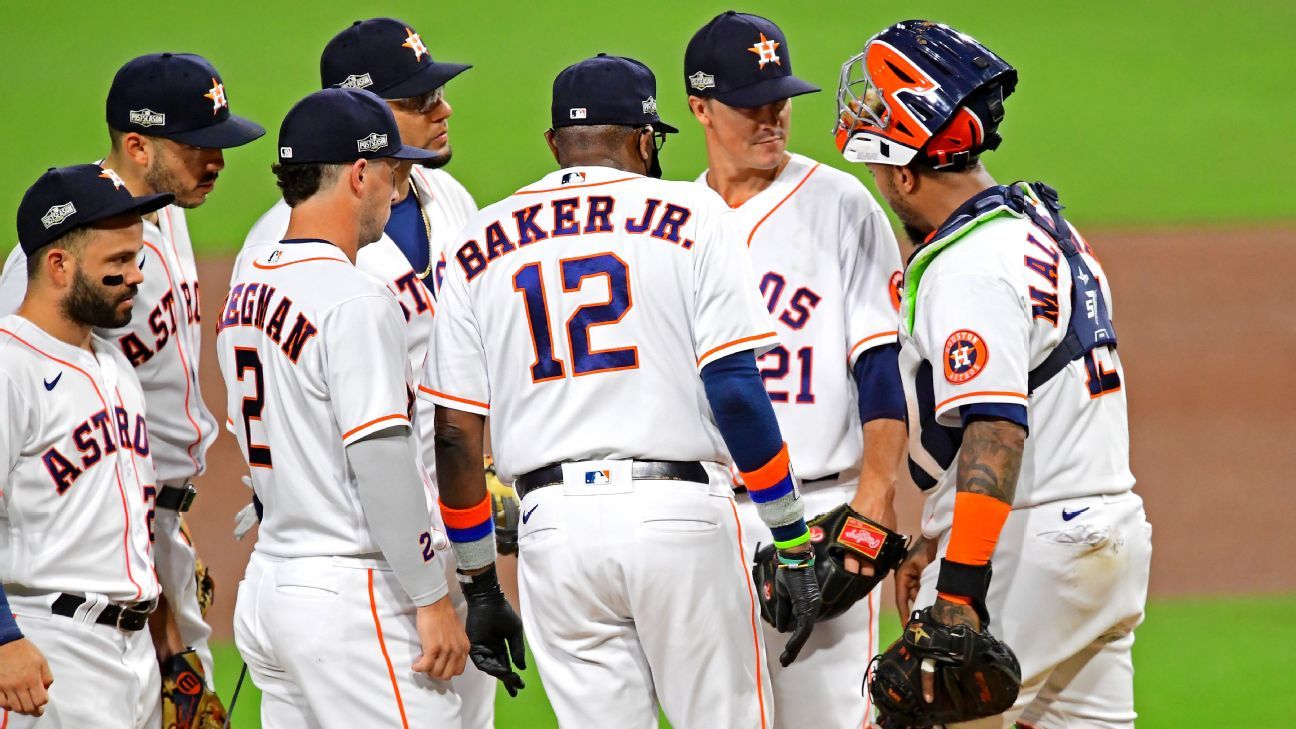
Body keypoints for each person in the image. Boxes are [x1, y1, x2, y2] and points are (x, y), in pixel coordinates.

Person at [426, 53, 821, 729]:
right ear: (644, 140)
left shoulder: (477, 240)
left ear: (555, 145)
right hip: (679, 522)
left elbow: (455, 436)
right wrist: (791, 536)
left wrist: (482, 583)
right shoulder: (694, 210)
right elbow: (733, 390)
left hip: (555, 536)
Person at [835, 20, 1152, 727]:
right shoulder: (1043, 228)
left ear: (904, 169)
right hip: (1107, 541)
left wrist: (960, 587)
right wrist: (935, 534)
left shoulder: (970, 263)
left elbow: (997, 429)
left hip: (1027, 551)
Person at [233, 19, 499, 722]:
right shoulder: (332, 273)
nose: (442, 111)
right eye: (419, 100)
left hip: (330, 564)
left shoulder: (449, 203)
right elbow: (376, 450)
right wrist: (431, 595)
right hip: (368, 566)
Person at [0, 52, 265, 683]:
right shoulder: (56, 260)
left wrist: (165, 545)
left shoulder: (165, 214)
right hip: (78, 555)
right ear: (138, 145)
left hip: (149, 531)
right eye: (198, 144)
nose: (218, 161)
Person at [685, 12, 908, 727]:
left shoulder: (841, 205)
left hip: (821, 512)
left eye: (779, 98)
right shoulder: (675, 220)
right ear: (699, 108)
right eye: (751, 104)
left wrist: (875, 494)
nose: (772, 117)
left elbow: (880, 365)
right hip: (710, 519)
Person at [0, 163, 174, 727]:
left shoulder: (115, 365)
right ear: (59, 264)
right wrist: (3, 641)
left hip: (132, 655)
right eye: (118, 263)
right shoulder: (10, 368)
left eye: (137, 259)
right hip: (46, 651)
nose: (137, 277)